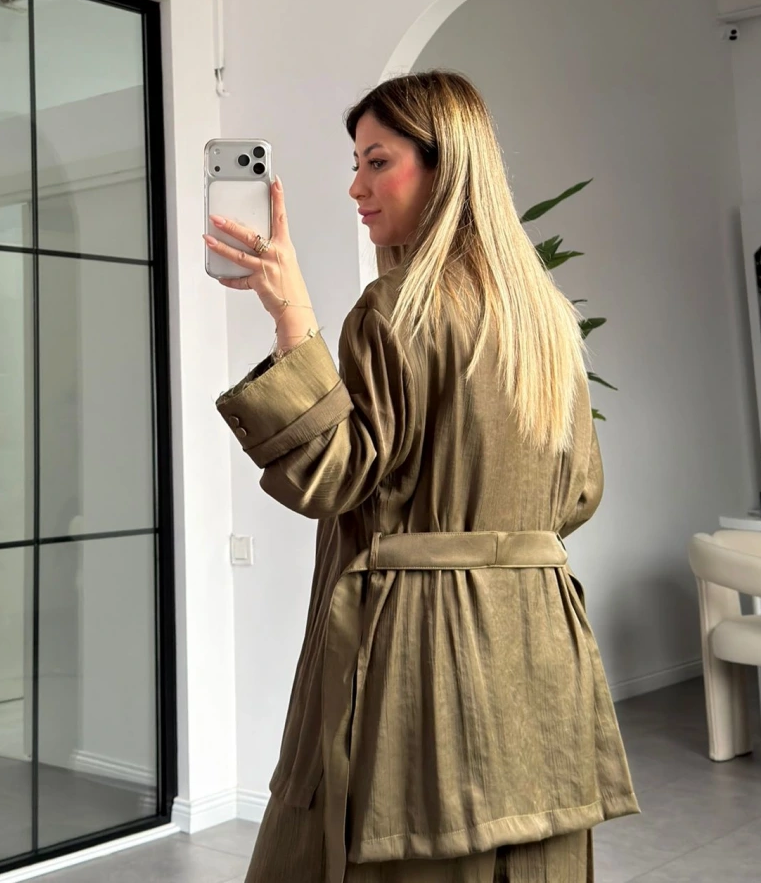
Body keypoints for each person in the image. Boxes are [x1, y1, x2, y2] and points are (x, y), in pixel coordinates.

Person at [204, 71, 638, 883]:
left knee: (398, 851)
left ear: (446, 167)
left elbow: (332, 478)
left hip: (416, 652)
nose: (356, 187)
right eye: (357, 164)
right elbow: (580, 491)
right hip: (538, 644)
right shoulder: (547, 319)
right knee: (526, 850)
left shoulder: (396, 309)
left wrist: (291, 316)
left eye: (378, 162)